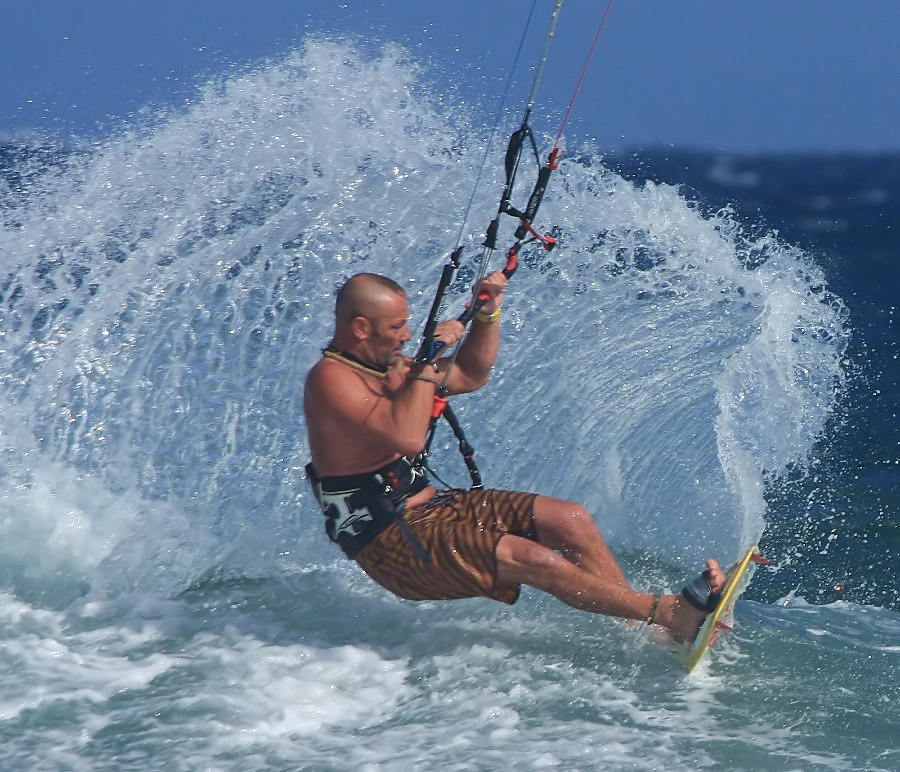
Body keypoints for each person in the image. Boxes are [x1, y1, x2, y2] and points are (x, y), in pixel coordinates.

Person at [303, 271, 725, 642]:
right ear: (361, 327)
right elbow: (408, 437)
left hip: (433, 510)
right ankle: (667, 613)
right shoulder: (331, 379)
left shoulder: (392, 366)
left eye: (407, 325)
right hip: (393, 545)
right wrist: (429, 363)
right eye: (397, 326)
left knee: (569, 519)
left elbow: (471, 373)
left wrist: (487, 314)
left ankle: (650, 631)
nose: (408, 335)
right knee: (532, 559)